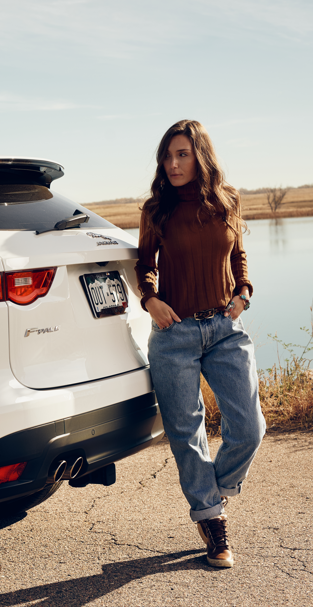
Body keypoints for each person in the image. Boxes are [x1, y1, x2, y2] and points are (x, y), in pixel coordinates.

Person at [135, 119, 266, 568]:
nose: (172, 163)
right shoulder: (157, 209)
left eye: (182, 154)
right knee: (187, 435)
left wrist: (243, 293)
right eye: (167, 156)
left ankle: (212, 493)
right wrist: (150, 298)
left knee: (250, 428)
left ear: (200, 156)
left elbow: (238, 255)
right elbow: (144, 262)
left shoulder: (227, 200)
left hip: (226, 329)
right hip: (175, 334)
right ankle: (213, 524)